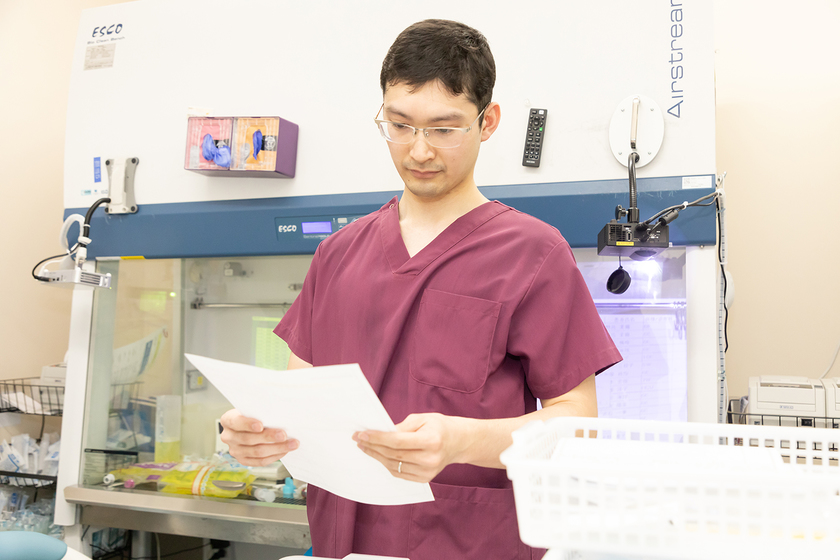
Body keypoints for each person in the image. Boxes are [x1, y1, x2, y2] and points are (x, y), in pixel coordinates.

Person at [220, 19, 621, 559]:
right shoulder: (338, 254)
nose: (419, 151)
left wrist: (461, 442)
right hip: (341, 543)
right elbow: (301, 403)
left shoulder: (533, 253)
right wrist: (258, 432)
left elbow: (576, 423)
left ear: (487, 122)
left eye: (444, 128)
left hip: (472, 542)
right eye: (400, 125)